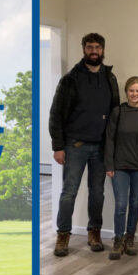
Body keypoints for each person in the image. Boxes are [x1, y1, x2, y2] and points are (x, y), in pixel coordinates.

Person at [49, 32, 119, 257]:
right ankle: (63, 235)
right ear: (83, 50)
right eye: (90, 47)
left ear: (103, 50)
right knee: (69, 192)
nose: (94, 51)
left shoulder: (110, 78)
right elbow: (56, 114)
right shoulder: (71, 79)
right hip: (74, 146)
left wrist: (113, 146)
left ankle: (94, 232)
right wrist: (58, 146)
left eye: (98, 47)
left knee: (97, 193)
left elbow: (115, 113)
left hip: (100, 147)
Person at [104, 76, 138, 260]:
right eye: (131, 90)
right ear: (126, 92)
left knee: (135, 204)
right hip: (119, 167)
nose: (134, 94)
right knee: (121, 205)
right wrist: (109, 164)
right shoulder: (118, 112)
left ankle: (130, 239)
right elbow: (109, 139)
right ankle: (118, 240)